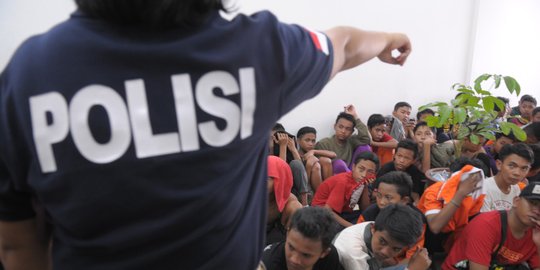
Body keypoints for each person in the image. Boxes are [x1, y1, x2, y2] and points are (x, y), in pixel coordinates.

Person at [0, 0, 413, 269]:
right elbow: (341, 44)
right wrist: (389, 40)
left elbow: (19, 244)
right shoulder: (257, 51)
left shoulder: (31, 74)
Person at [443, 183, 540, 270]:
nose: (537, 211)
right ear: (516, 202)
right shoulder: (486, 224)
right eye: (533, 204)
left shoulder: (536, 232)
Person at [417, 158, 487, 254]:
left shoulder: (476, 195)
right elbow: (435, 227)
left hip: (451, 240)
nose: (471, 186)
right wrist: (460, 194)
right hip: (424, 239)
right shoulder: (434, 192)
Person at [334, 204, 431, 270]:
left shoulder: (379, 226)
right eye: (383, 242)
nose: (385, 252)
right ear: (373, 229)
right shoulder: (353, 253)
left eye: (396, 249)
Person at [358, 171, 426, 264]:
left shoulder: (417, 223)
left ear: (404, 200)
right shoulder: (368, 214)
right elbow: (360, 242)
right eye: (379, 196)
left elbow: (412, 259)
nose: (381, 202)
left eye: (388, 197)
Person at [312, 152, 379, 228]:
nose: (364, 175)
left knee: (370, 216)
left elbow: (365, 209)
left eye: (370, 172)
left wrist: (365, 186)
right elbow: (327, 210)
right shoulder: (343, 182)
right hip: (321, 214)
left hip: (341, 213)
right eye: (361, 169)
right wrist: (351, 227)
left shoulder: (360, 181)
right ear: (354, 167)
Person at [262, 207, 344, 270]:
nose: (294, 259)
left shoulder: (330, 259)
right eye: (291, 247)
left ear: (324, 253)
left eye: (306, 255)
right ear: (287, 233)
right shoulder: (267, 264)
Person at [315, 106, 372, 174]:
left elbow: (368, 140)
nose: (343, 131)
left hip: (350, 171)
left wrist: (355, 116)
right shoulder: (324, 143)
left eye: (347, 129)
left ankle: (352, 179)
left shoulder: (351, 141)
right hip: (334, 176)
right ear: (335, 126)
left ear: (352, 131)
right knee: (339, 163)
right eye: (340, 127)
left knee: (365, 148)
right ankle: (352, 180)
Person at [480, 143, 534, 212]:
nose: (517, 173)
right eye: (512, 166)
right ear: (499, 164)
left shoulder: (517, 190)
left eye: (524, 168)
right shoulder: (484, 188)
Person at [267, 156, 303, 245]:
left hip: (275, 234)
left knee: (296, 207)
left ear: (280, 180)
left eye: (268, 178)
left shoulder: (290, 200)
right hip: (250, 232)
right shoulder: (248, 194)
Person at [271, 124, 310, 205]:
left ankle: (305, 205)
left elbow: (300, 167)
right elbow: (281, 170)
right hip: (278, 188)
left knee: (296, 163)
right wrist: (282, 146)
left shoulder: (287, 148)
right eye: (272, 137)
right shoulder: (267, 151)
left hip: (294, 188)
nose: (276, 140)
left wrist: (293, 149)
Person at [297, 126, 336, 192]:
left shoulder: (314, 151)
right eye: (307, 140)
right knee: (316, 166)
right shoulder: (296, 155)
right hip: (306, 188)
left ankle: (329, 191)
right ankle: (321, 196)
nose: (310, 144)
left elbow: (333, 155)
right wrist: (309, 164)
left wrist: (313, 151)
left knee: (326, 160)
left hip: (323, 185)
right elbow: (304, 183)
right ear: (298, 141)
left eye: (313, 141)